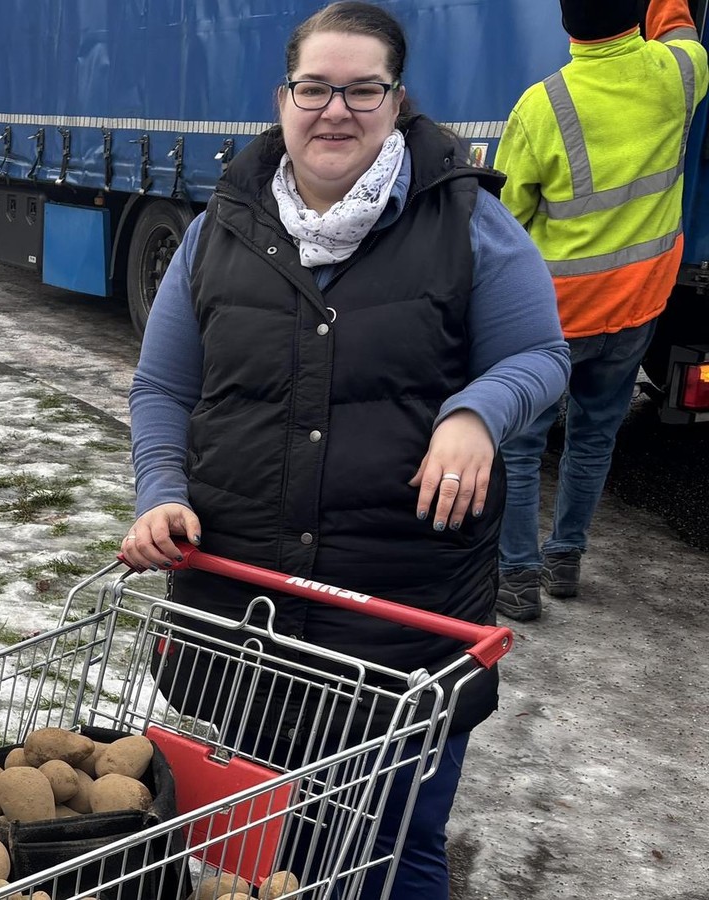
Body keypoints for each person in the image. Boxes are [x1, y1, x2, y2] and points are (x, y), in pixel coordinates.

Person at [120, 3, 570, 897]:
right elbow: (163, 388)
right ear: (282, 99)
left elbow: (540, 356)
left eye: (364, 89)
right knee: (266, 850)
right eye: (315, 88)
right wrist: (160, 490)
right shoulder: (219, 230)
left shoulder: (468, 223)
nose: (336, 109)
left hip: (400, 627)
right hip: (245, 620)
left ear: (397, 100)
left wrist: (476, 415)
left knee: (391, 850)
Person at [492, 0, 707, 621]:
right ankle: (565, 559)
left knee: (520, 446)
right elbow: (683, 30)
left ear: (565, 23)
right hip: (637, 307)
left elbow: (505, 221)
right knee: (594, 437)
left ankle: (517, 578)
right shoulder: (679, 74)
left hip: (555, 316)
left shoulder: (542, 106)